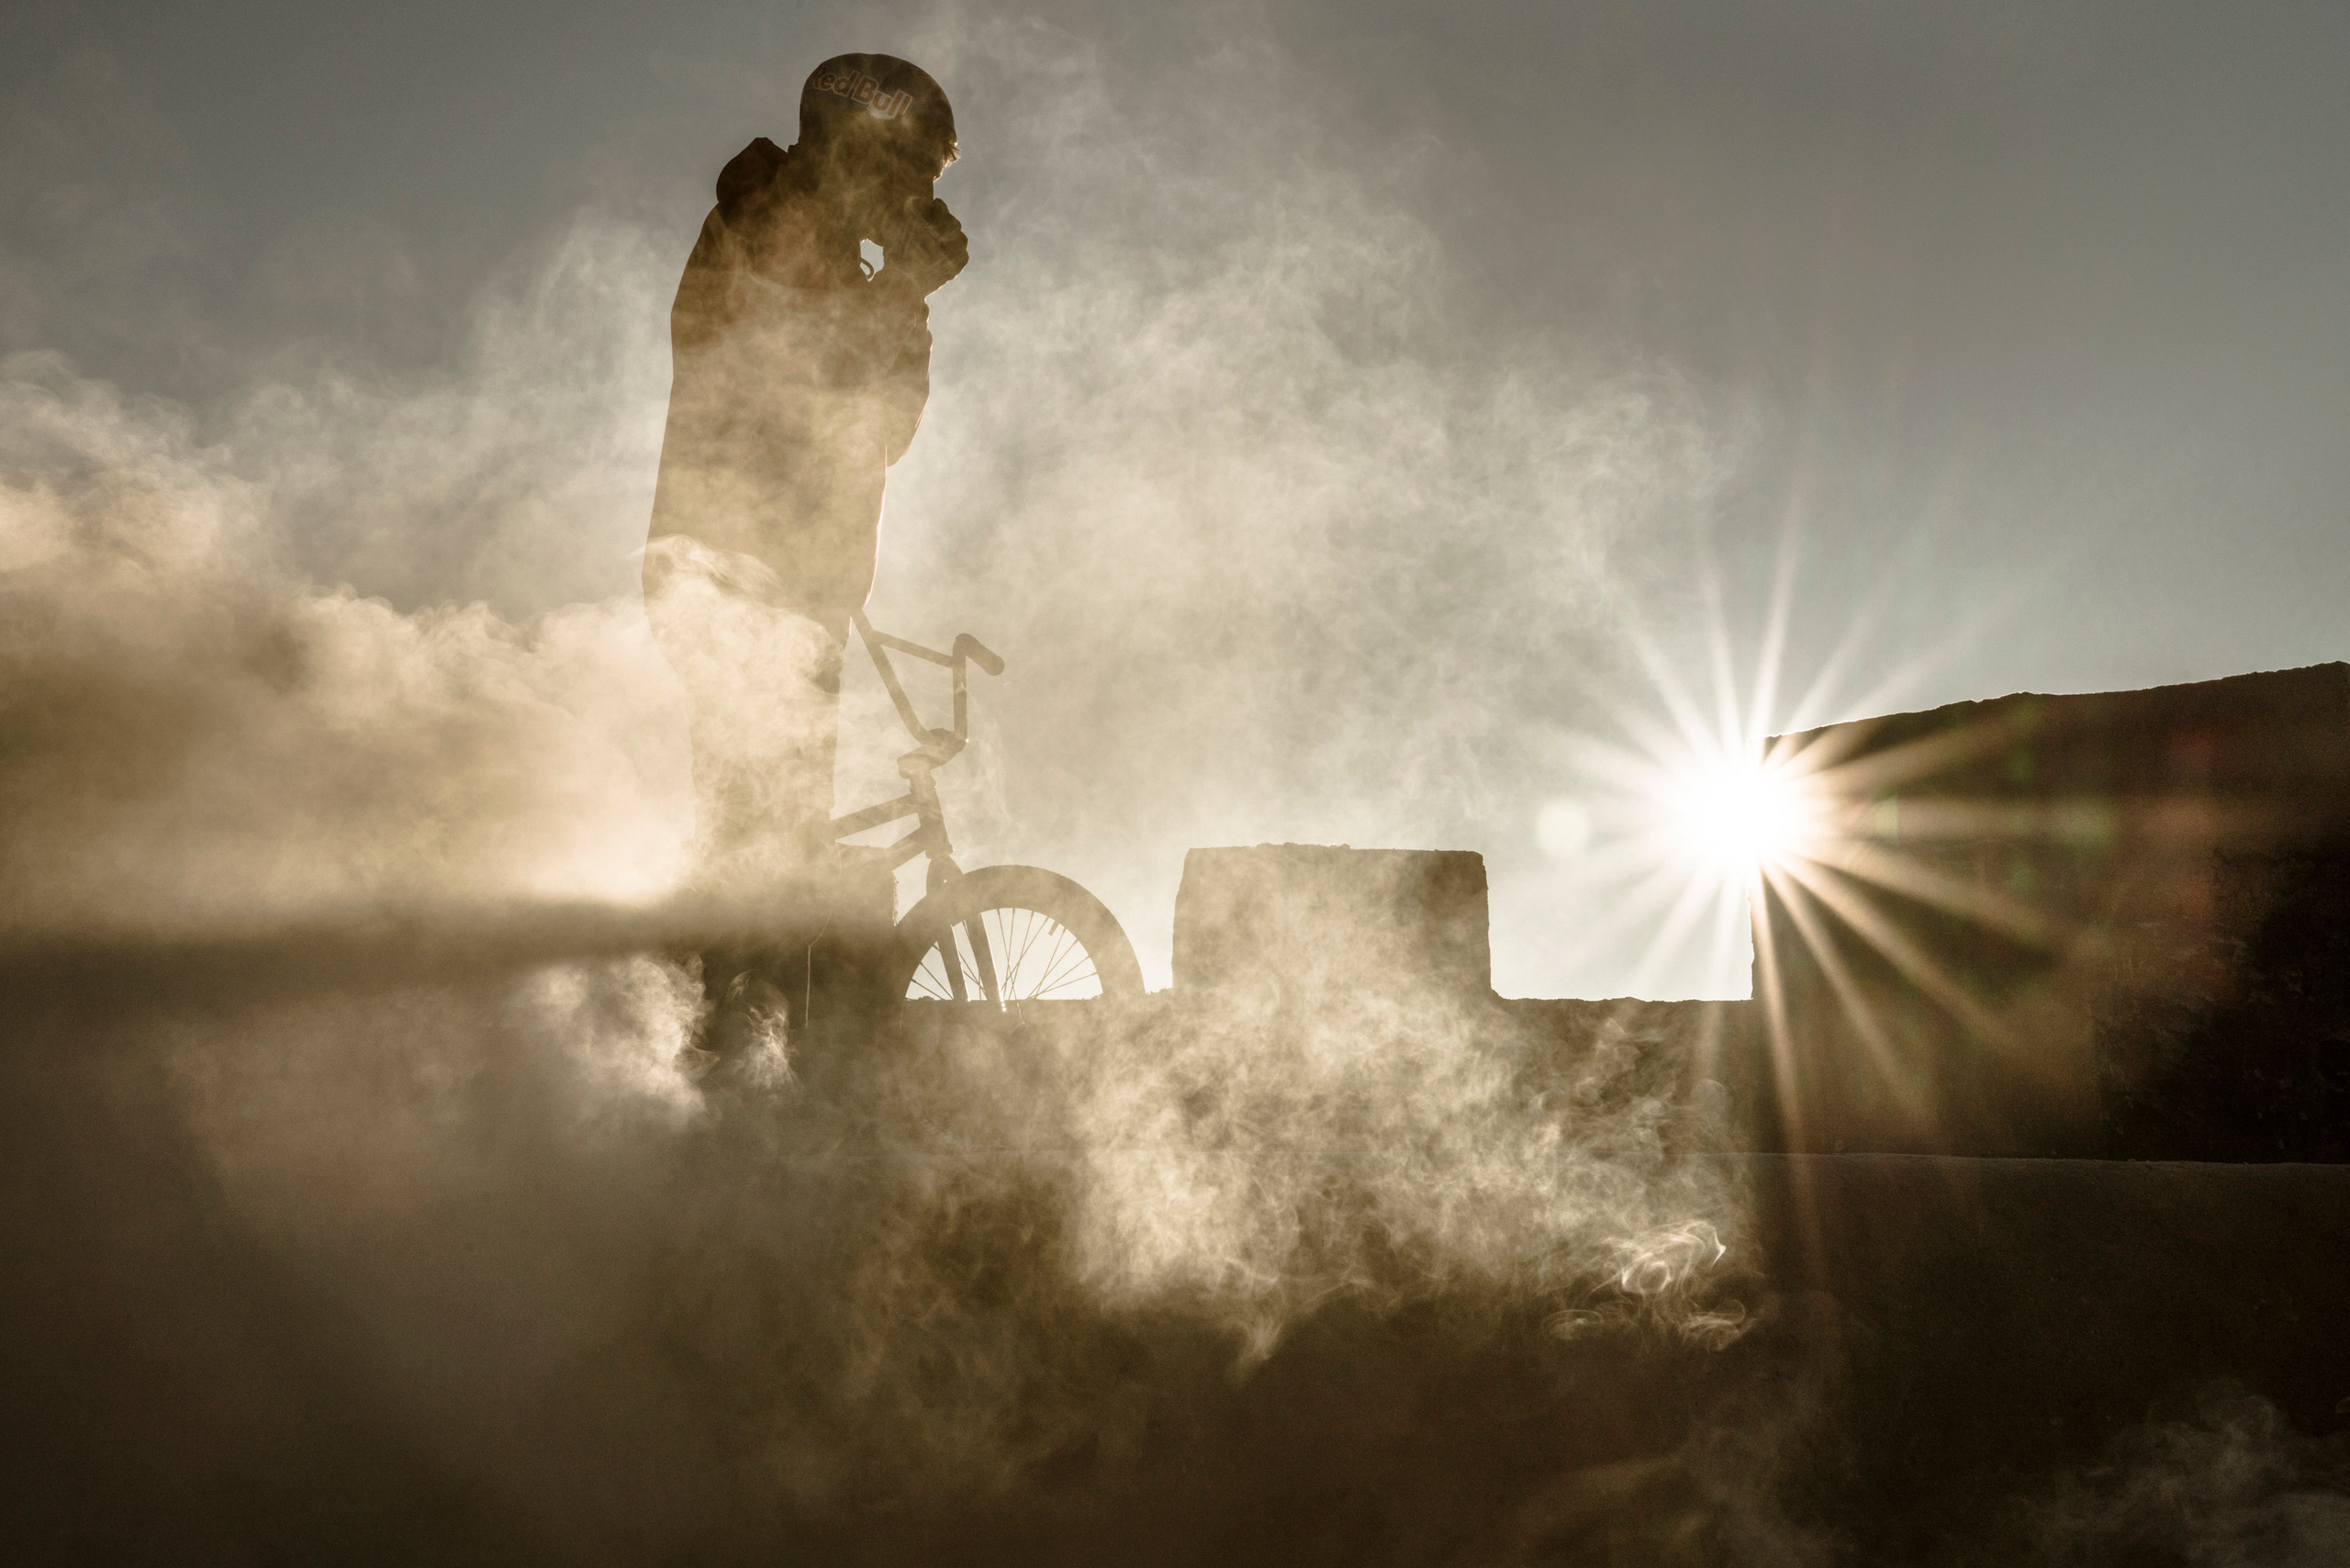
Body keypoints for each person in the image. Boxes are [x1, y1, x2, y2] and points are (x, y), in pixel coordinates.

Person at [643, 54, 967, 1045]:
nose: (910, 203)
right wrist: (902, 286)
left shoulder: (845, 264)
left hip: (799, 595)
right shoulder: (760, 220)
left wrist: (906, 298)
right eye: (906, 178)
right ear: (854, 150)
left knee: (781, 841)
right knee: (759, 842)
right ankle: (710, 1054)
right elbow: (801, 373)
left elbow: (881, 428)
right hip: (737, 579)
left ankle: (741, 1046)